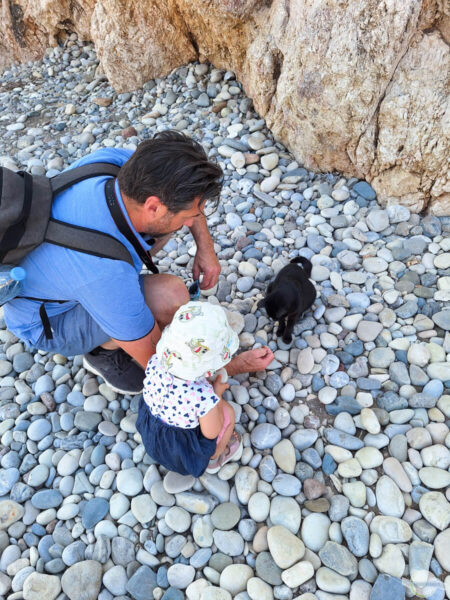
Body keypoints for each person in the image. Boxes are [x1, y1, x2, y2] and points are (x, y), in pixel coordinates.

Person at [3, 131, 274, 394]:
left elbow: (187, 202)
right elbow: (164, 372)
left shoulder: (115, 165)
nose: (194, 221)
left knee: (168, 224)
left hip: (66, 269)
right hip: (50, 323)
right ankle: (102, 353)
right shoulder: (105, 275)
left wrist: (206, 248)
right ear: (153, 206)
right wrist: (233, 367)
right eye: (191, 215)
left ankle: (116, 320)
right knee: (169, 297)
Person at [137, 301, 243, 477]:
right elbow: (211, 432)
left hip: (151, 436)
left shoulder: (155, 362)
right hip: (184, 453)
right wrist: (216, 393)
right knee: (229, 414)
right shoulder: (202, 397)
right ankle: (215, 457)